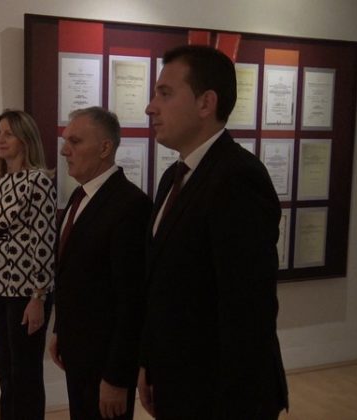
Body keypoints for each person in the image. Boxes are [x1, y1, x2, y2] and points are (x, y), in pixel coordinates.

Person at [138, 45, 289, 419]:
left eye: (165, 94)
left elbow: (248, 311)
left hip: (218, 396)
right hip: (179, 382)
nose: (150, 107)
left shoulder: (238, 178)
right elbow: (164, 286)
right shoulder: (174, 178)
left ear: (206, 103)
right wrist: (151, 363)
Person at [48, 107, 152, 420]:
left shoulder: (130, 206)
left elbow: (132, 301)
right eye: (65, 141)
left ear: (105, 148)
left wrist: (117, 377)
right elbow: (72, 275)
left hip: (105, 363)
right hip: (77, 352)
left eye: (75, 141)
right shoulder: (79, 198)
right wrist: (61, 330)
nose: (64, 150)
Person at [0, 109, 57, 420]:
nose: (1, 139)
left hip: (27, 289)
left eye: (8, 134)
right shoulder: (0, 180)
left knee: (25, 372)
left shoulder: (38, 180)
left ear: (25, 139)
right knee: (6, 371)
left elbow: (45, 239)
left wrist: (38, 296)